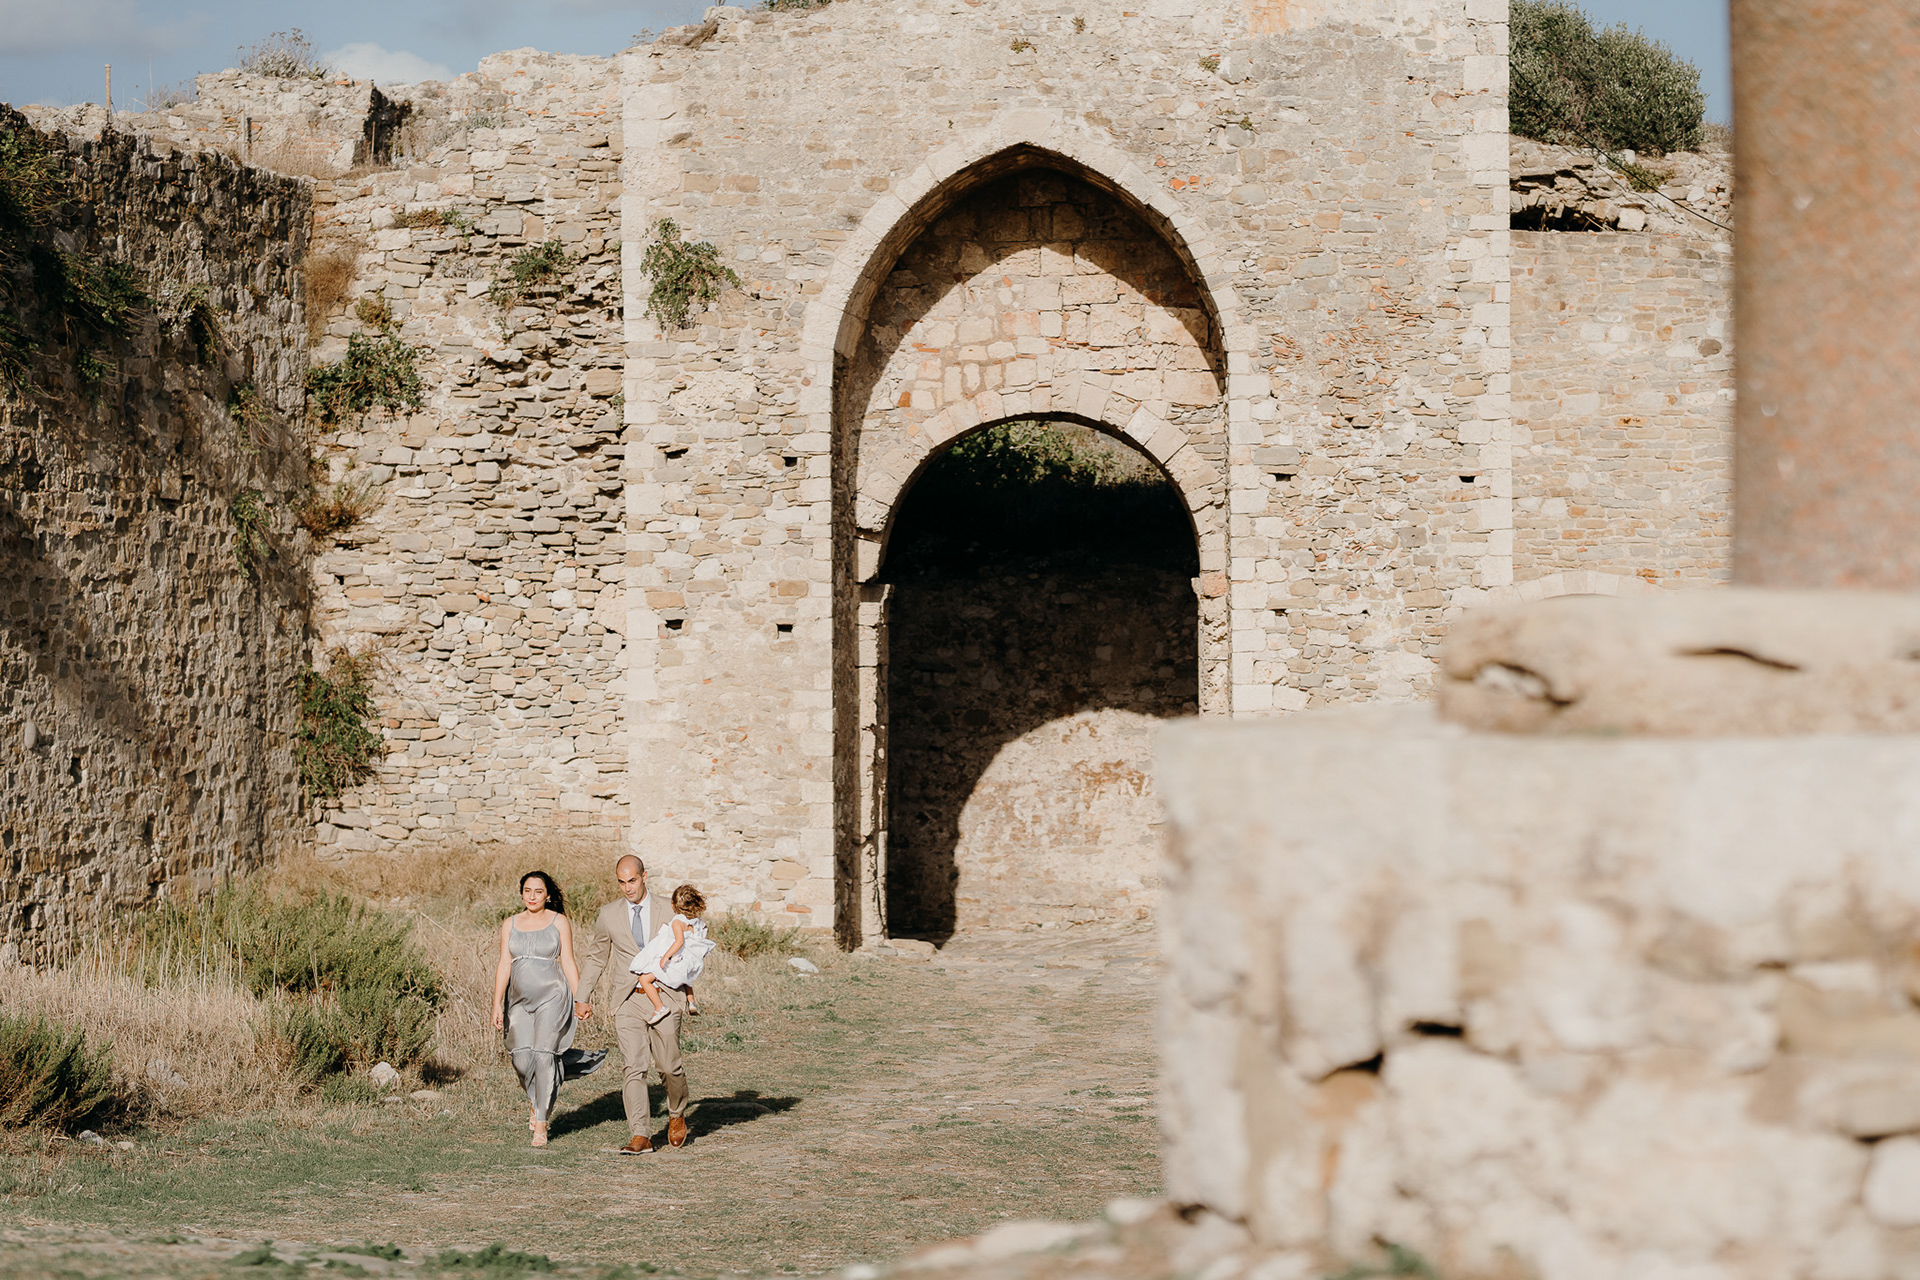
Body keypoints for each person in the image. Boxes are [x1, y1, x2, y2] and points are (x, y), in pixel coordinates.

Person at [576, 855, 691, 1152]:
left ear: (644, 877)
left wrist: (687, 989)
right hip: (627, 999)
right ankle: (640, 1134)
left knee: (669, 1067)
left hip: (665, 995)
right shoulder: (608, 914)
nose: (627, 888)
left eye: (632, 881)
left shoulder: (669, 907)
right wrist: (582, 996)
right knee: (634, 1066)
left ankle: (677, 1113)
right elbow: (596, 957)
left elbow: (690, 947)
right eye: (621, 882)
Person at [491, 870, 603, 1147]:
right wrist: (496, 1003)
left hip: (553, 996)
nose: (532, 896)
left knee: (542, 1056)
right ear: (521, 893)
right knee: (521, 1059)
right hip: (518, 1001)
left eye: (538, 891)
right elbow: (504, 964)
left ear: (548, 895)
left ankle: (541, 1122)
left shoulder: (558, 921)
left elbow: (568, 962)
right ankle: (544, 1085)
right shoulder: (510, 924)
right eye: (527, 891)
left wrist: (581, 998)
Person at [629, 884, 715, 1025]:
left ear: (673, 904)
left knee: (644, 979)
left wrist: (665, 957)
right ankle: (691, 1001)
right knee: (687, 978)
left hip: (675, 961)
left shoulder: (678, 922)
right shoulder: (696, 923)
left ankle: (659, 1007)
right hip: (687, 962)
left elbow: (679, 941)